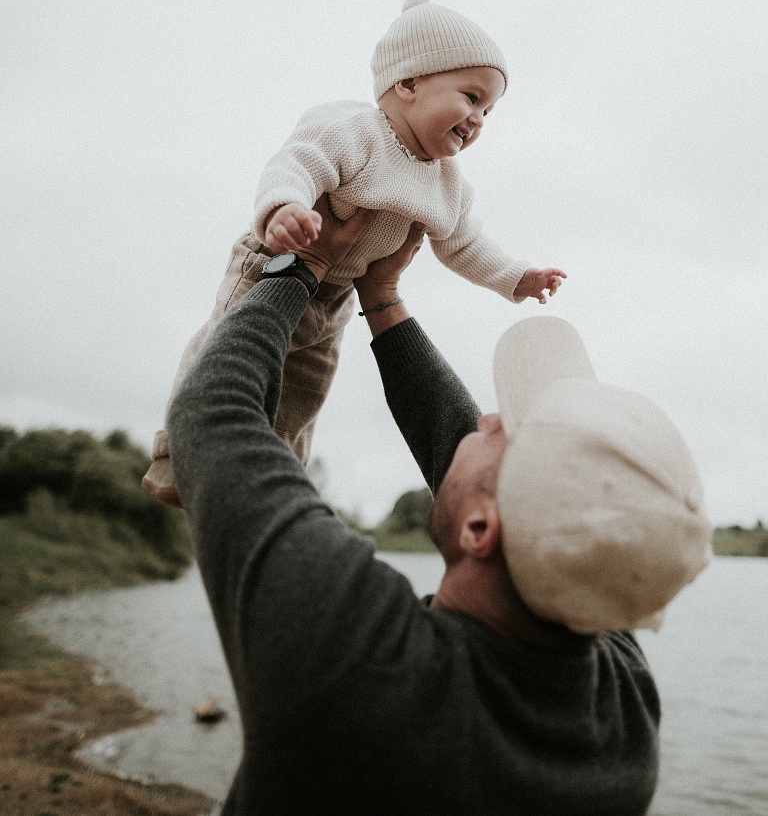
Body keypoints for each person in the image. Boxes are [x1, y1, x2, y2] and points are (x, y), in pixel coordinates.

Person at [166, 201, 711, 815]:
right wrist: (382, 298)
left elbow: (212, 412)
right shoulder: (622, 722)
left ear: (482, 530)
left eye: (505, 431)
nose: (487, 416)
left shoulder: (354, 657)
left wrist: (301, 266)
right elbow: (478, 473)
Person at [144, 0, 565, 505]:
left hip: (336, 294)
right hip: (273, 264)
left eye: (490, 110)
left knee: (305, 389)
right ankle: (178, 452)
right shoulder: (353, 130)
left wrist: (516, 278)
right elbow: (296, 164)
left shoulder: (449, 183)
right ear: (407, 83)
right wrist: (285, 209)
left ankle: (277, 481)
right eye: (471, 97)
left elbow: (464, 243)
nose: (479, 119)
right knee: (229, 349)